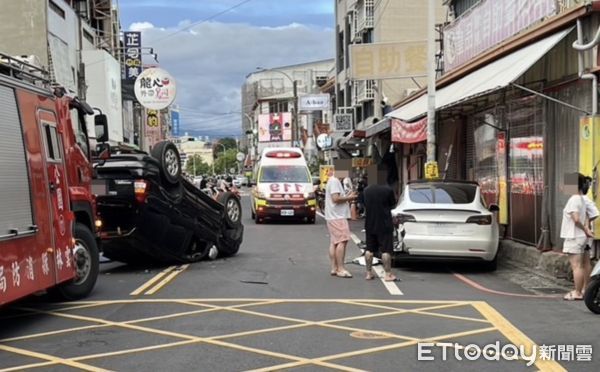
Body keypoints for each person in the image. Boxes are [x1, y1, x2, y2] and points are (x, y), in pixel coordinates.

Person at [561, 173, 596, 300]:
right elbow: (586, 215)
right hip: (581, 237)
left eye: (567, 184)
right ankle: (584, 290)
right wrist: (586, 228)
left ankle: (577, 292)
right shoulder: (581, 198)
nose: (564, 186)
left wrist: (585, 229)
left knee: (577, 266)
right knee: (584, 264)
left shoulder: (573, 199)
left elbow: (575, 219)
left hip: (574, 236)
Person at [325, 169, 357, 278]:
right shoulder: (334, 181)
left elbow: (337, 197)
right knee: (342, 241)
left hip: (332, 216)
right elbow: (335, 198)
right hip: (337, 216)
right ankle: (340, 268)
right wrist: (350, 197)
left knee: (334, 242)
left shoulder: (333, 181)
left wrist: (347, 196)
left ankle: (334, 267)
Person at [363, 183, 397, 281]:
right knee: (386, 250)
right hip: (384, 224)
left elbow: (364, 204)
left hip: (370, 223)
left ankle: (368, 273)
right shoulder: (388, 190)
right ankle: (388, 274)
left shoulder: (366, 190)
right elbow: (393, 205)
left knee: (369, 249)